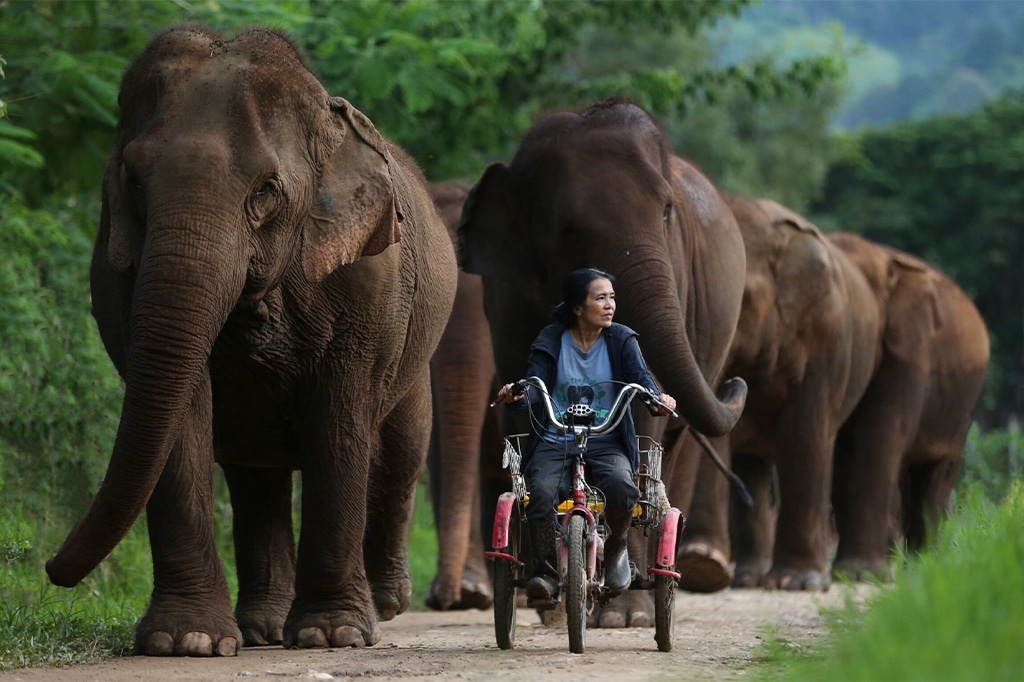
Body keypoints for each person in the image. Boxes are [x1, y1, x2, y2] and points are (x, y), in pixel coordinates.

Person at [497, 267, 676, 605]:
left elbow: (641, 378)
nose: (609, 305)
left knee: (623, 488)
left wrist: (657, 399)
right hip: (555, 439)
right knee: (541, 493)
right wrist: (520, 395)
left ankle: (618, 548)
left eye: (611, 297)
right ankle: (546, 572)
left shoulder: (622, 339)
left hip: (606, 439)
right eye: (600, 298)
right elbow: (535, 384)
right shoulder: (551, 340)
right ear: (578, 308)